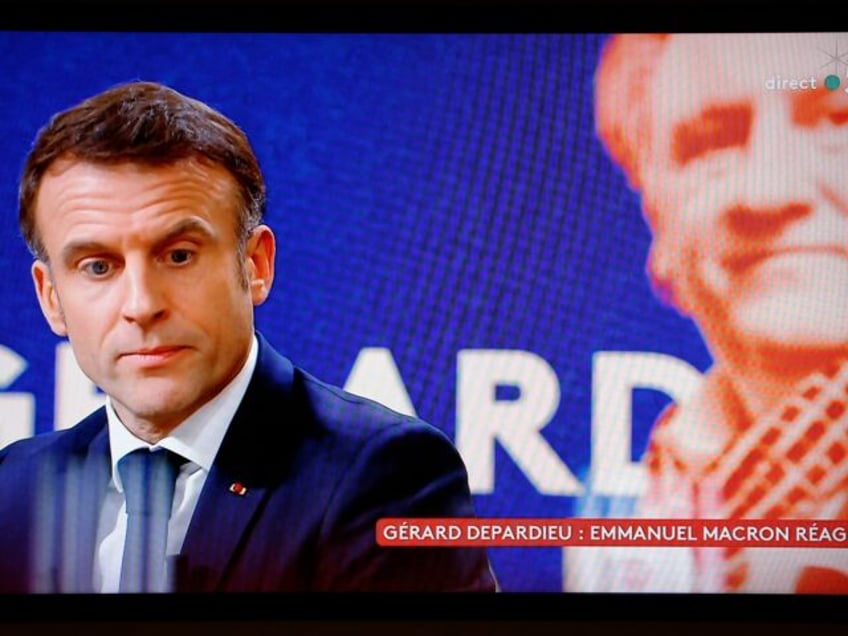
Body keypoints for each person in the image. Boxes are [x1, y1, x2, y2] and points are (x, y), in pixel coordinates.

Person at [0, 80, 497, 593]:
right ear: (51, 297)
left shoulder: (388, 476)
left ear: (255, 265)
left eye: (179, 255)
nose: (142, 305)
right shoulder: (14, 489)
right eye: (98, 266)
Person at [567, 33, 848, 593]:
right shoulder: (614, 504)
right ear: (656, 208)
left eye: (839, 121)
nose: (769, 190)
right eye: (712, 141)